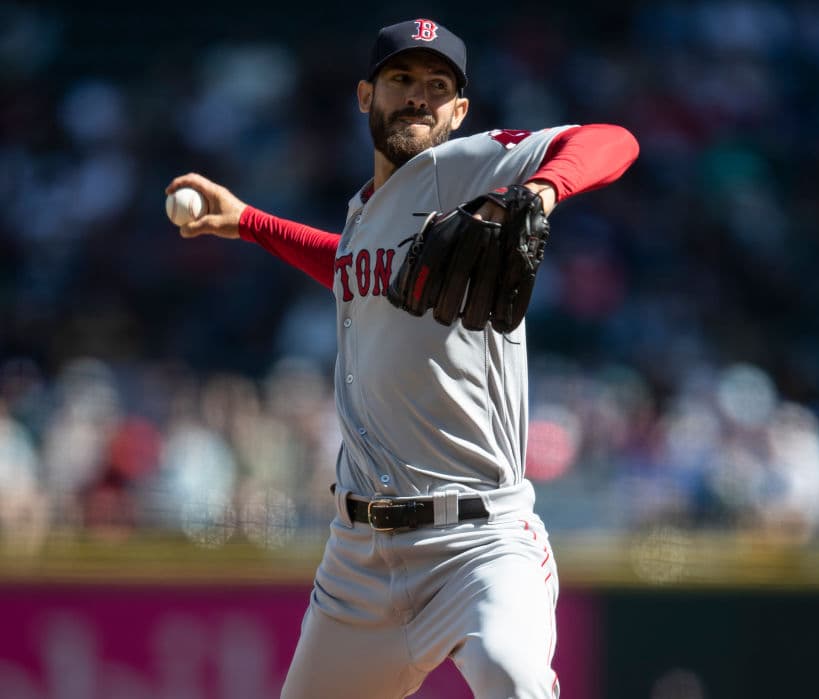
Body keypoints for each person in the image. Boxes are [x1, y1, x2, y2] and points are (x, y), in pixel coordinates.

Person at [167, 18, 638, 699]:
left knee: (514, 679)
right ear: (366, 95)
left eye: (437, 85)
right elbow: (352, 268)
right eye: (402, 80)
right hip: (358, 560)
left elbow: (613, 142)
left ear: (459, 111)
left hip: (479, 543)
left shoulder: (469, 168)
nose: (419, 96)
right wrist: (248, 222)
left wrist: (541, 189)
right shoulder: (367, 212)